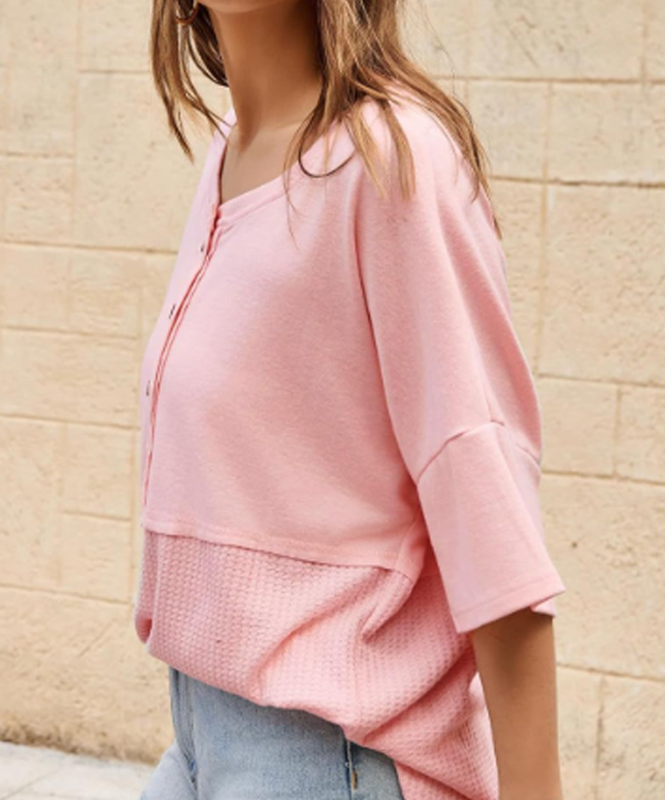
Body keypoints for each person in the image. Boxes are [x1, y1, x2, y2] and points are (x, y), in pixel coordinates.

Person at [134, 0, 567, 797]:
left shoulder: (390, 157)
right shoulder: (231, 150)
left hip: (332, 758)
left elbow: (481, 488)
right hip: (202, 732)